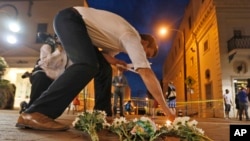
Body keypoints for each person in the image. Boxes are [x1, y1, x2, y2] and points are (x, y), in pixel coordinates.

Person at [16, 6, 175, 131]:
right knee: (87, 65)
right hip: (70, 19)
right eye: (147, 54)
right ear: (145, 43)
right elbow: (146, 73)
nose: (144, 57)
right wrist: (166, 109)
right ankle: (37, 112)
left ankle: (102, 115)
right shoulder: (131, 37)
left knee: (104, 69)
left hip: (77, 26)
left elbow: (105, 57)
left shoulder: (117, 42)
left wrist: (115, 61)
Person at [19, 33, 72, 114]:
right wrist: (57, 52)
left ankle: (29, 107)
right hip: (42, 72)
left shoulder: (69, 53)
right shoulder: (47, 46)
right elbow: (45, 63)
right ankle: (29, 112)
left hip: (56, 78)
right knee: (41, 79)